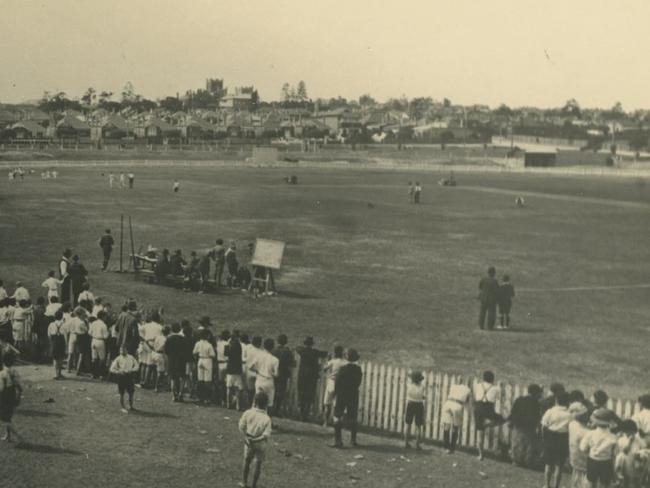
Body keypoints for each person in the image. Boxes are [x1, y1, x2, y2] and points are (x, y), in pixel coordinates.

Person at [239, 392, 272, 488]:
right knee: (258, 463)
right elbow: (266, 435)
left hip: (249, 441)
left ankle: (244, 483)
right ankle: (254, 485)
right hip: (260, 443)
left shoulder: (248, 413)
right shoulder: (267, 418)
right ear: (266, 404)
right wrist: (257, 439)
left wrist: (246, 436)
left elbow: (241, 426)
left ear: (254, 401)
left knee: (246, 461)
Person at [331, 348, 363, 448]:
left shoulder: (343, 368)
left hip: (342, 394)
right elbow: (358, 382)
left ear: (346, 357)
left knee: (337, 416)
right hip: (353, 394)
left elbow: (337, 382)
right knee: (353, 417)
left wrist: (335, 393)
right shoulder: (358, 369)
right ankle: (353, 440)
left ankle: (338, 441)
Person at [541, 391, 572, 488]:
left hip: (550, 437)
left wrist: (544, 438)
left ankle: (546, 485)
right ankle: (556, 486)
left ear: (556, 400)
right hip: (562, 438)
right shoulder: (569, 414)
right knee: (559, 465)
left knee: (548, 464)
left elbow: (543, 426)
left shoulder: (550, 411)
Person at [580, 408, 618, 488]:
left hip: (592, 460)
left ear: (596, 422)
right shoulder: (613, 437)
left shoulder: (590, 434)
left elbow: (583, 448)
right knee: (604, 483)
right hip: (606, 462)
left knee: (591, 482)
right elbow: (615, 453)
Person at [508, 383, 543, 468]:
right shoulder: (536, 403)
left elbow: (513, 412)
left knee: (517, 443)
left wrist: (511, 422)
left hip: (518, 425)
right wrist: (538, 427)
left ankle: (516, 460)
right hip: (529, 427)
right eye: (539, 393)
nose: (540, 395)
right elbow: (537, 417)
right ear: (535, 393)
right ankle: (526, 461)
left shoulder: (519, 399)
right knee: (528, 445)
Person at [473, 370, 505, 460]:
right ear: (492, 379)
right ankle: (487, 425)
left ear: (483, 378)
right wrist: (500, 386)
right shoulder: (496, 388)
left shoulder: (478, 385)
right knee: (501, 419)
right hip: (487, 409)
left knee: (480, 432)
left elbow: (476, 395)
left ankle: (480, 455)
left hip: (478, 408)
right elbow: (500, 398)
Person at [296, 336, 327, 421]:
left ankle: (302, 414)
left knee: (302, 394)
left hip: (302, 375)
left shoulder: (302, 351)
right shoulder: (315, 352)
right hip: (311, 376)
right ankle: (306, 414)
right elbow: (324, 353)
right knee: (309, 395)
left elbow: (297, 348)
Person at [249, 338, 279, 416]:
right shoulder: (275, 360)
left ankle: (254, 417)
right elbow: (276, 374)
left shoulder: (259, 356)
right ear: (272, 347)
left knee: (257, 399)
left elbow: (251, 367)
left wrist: (258, 371)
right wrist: (270, 372)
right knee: (269, 403)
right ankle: (268, 420)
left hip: (260, 379)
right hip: (269, 381)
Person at [441, 378, 471, 454]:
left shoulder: (453, 386)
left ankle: (446, 447)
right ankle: (452, 448)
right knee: (455, 426)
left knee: (447, 426)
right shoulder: (467, 389)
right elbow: (467, 402)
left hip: (448, 403)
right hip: (457, 405)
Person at [0, 352, 23, 443]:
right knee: (7, 416)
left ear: (3, 361)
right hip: (12, 394)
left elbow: (1, 388)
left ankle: (17, 436)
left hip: (4, 396)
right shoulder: (15, 372)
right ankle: (8, 436)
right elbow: (19, 386)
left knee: (4, 417)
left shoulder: (2, 373)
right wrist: (19, 396)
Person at [109, 345, 139, 413]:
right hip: (122, 377)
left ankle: (131, 406)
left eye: (123, 350)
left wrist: (132, 370)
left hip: (129, 376)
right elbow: (111, 369)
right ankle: (123, 407)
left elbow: (137, 365)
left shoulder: (131, 357)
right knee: (122, 393)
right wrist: (118, 371)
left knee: (131, 392)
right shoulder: (118, 358)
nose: (122, 351)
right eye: (120, 350)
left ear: (127, 350)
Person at [322, 345, 347, 426]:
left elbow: (324, 368)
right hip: (341, 384)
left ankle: (325, 422)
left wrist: (328, 360)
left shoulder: (333, 361)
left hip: (331, 382)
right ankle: (337, 422)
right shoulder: (345, 363)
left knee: (327, 404)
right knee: (338, 405)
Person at [568, 401, 591, 488]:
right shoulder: (585, 432)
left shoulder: (572, 424)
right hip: (584, 460)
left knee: (576, 478)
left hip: (574, 457)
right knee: (584, 482)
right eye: (585, 415)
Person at [272, 334, 295, 417]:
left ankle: (272, 408)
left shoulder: (274, 350)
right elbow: (292, 363)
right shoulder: (287, 351)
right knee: (280, 392)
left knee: (273, 391)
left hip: (274, 373)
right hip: (283, 374)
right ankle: (277, 410)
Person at [139, 310, 163, 388]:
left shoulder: (147, 325)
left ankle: (142, 380)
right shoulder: (159, 327)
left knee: (144, 363)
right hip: (153, 344)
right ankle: (146, 382)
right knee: (149, 364)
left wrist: (143, 338)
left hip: (145, 343)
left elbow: (139, 330)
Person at [165, 322, 188, 402]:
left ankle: (174, 395)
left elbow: (166, 351)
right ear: (179, 329)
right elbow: (186, 351)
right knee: (182, 377)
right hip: (181, 360)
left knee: (173, 379)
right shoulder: (183, 339)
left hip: (172, 360)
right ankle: (181, 394)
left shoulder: (169, 338)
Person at [193, 328, 216, 403]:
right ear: (207, 336)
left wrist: (197, 358)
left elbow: (194, 353)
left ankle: (200, 397)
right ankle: (207, 398)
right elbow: (213, 355)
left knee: (200, 379)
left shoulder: (198, 343)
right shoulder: (209, 345)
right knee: (207, 380)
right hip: (207, 360)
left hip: (200, 360)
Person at [404, 371, 426, 450]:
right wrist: (422, 397)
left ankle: (406, 443)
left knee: (408, 424)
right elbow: (421, 395)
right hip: (419, 405)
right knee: (418, 426)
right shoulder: (422, 387)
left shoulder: (409, 386)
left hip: (410, 404)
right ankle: (417, 445)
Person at [226, 331, 244, 410]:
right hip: (237, 368)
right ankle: (237, 405)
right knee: (238, 387)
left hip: (230, 368)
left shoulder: (229, 345)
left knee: (229, 387)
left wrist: (228, 344)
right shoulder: (238, 345)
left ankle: (228, 404)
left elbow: (226, 353)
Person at [89, 311, 109, 379]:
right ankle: (101, 374)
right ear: (103, 316)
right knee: (102, 358)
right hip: (100, 341)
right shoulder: (103, 325)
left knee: (94, 358)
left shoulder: (93, 323)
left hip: (94, 340)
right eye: (105, 316)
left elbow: (89, 332)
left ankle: (93, 374)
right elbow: (106, 336)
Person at [478, 266, 499, 330]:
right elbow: (496, 290)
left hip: (483, 297)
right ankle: (490, 326)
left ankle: (481, 325)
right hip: (491, 299)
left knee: (482, 312)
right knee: (491, 313)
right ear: (493, 273)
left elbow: (480, 287)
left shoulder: (483, 279)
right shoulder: (494, 281)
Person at [48, 309, 66, 379]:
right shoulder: (64, 324)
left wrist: (51, 343)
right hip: (61, 341)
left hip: (54, 341)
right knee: (61, 358)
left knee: (55, 358)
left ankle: (56, 374)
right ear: (61, 317)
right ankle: (60, 373)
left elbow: (49, 334)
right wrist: (66, 345)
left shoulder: (51, 324)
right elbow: (65, 336)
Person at [151, 326, 169, 392]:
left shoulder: (158, 337)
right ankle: (157, 387)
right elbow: (165, 349)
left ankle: (156, 385)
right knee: (160, 372)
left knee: (155, 370)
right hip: (160, 354)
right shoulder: (165, 339)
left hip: (154, 353)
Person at [216, 329, 231, 404]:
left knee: (221, 383)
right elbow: (227, 355)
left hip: (219, 364)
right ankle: (226, 399)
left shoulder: (218, 343)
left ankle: (222, 399)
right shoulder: (226, 344)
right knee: (226, 383)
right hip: (225, 363)